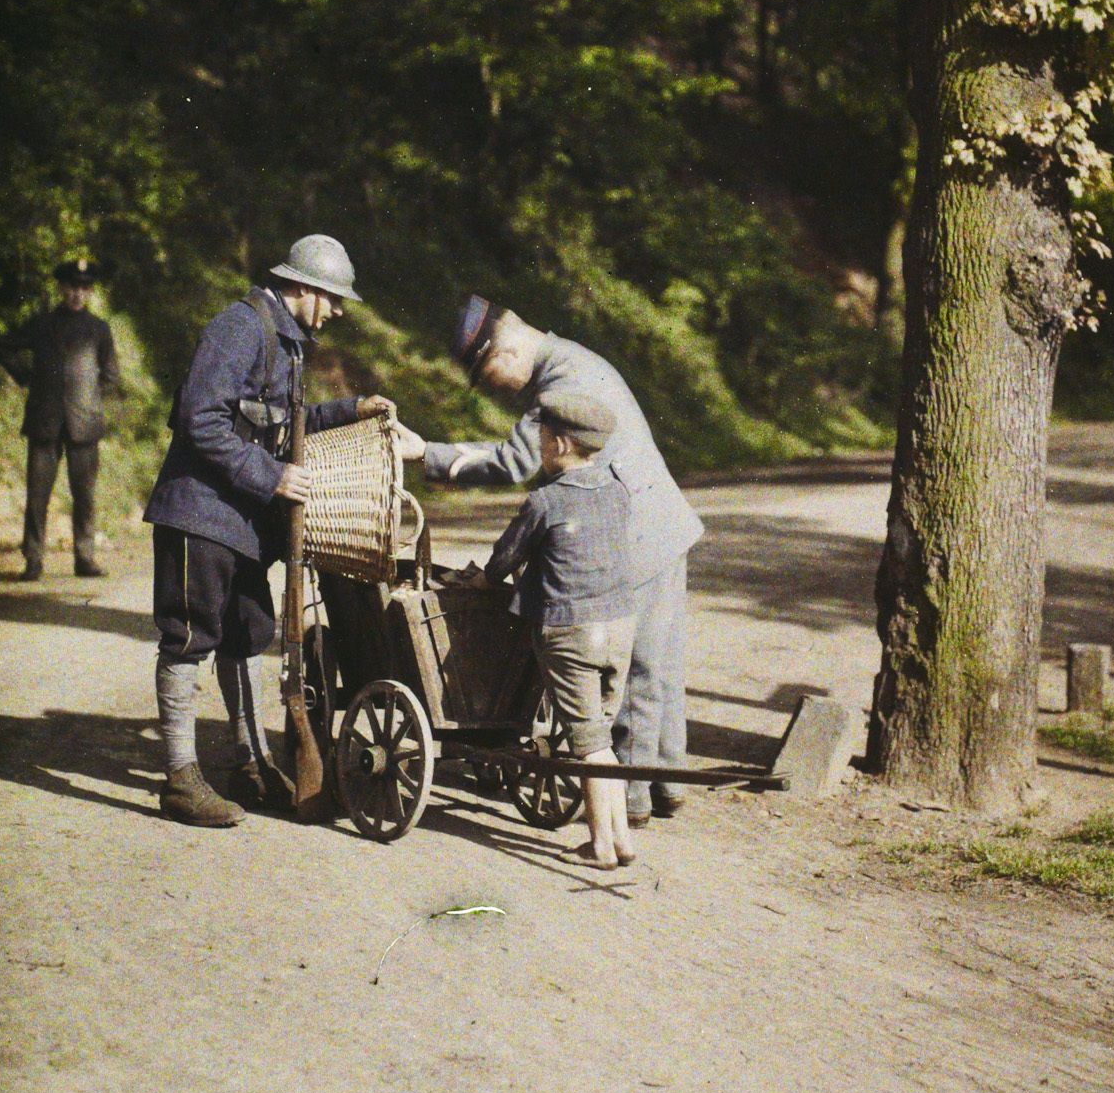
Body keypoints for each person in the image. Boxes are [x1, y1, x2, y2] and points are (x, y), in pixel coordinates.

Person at [397, 297, 703, 830]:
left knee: (633, 672)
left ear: (508, 348)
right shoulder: (573, 358)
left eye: (488, 374)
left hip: (633, 536)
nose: (494, 388)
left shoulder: (558, 385)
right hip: (661, 522)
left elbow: (517, 461)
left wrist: (428, 452)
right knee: (660, 664)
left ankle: (630, 802)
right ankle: (665, 783)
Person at [144, 234, 392, 828]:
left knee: (247, 634)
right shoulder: (240, 327)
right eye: (332, 298)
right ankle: (180, 779)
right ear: (303, 288)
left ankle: (249, 765)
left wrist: (353, 408)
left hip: (242, 522)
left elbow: (286, 426)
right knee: (189, 637)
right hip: (198, 515)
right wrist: (272, 477)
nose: (337, 311)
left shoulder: (288, 343)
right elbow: (199, 419)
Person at [480, 390, 636, 868]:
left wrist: (484, 578)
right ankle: (623, 839)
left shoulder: (545, 502)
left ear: (563, 444)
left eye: (544, 437)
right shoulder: (616, 489)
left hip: (570, 632)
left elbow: (504, 559)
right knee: (601, 737)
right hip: (620, 626)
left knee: (590, 746)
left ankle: (601, 846)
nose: (541, 445)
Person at [0, 257, 121, 581]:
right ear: (61, 288)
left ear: (90, 291)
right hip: (44, 420)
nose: (76, 294)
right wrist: (26, 376)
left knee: (84, 494)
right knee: (37, 494)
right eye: (71, 287)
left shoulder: (99, 329)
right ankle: (33, 559)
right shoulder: (42, 324)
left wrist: (89, 398)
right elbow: (3, 346)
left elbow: (111, 375)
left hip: (84, 424)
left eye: (83, 288)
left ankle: (85, 557)